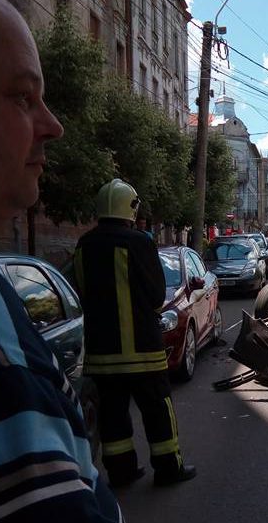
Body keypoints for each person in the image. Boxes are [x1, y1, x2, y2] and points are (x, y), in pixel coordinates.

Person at [0, 0, 121, 521]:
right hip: (142, 358)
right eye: (22, 97)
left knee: (122, 431)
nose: (53, 126)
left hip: (106, 360)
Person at [74, 179, 196, 487]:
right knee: (158, 411)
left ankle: (122, 473)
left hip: (102, 355)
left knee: (113, 417)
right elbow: (156, 296)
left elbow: (81, 292)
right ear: (131, 207)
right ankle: (169, 470)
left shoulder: (84, 245)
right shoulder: (139, 243)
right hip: (143, 351)